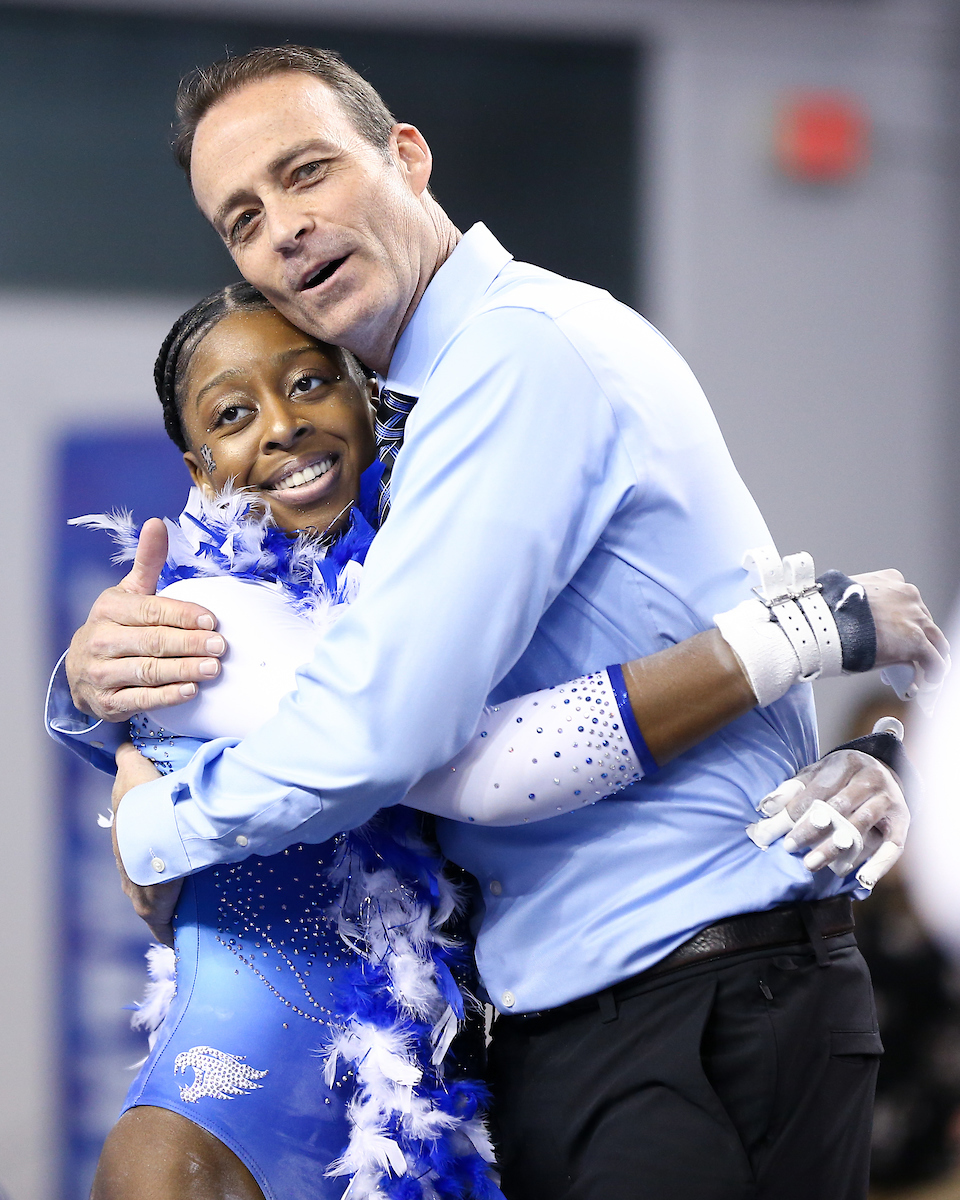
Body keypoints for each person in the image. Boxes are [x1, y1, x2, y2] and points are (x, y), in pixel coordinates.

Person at [51, 46, 949, 1200]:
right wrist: (91, 690)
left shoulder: (514, 357)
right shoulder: (402, 442)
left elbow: (408, 738)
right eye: (243, 218)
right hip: (577, 1028)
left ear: (407, 156)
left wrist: (158, 827)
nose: (284, 228)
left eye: (307, 171)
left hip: (684, 1008)